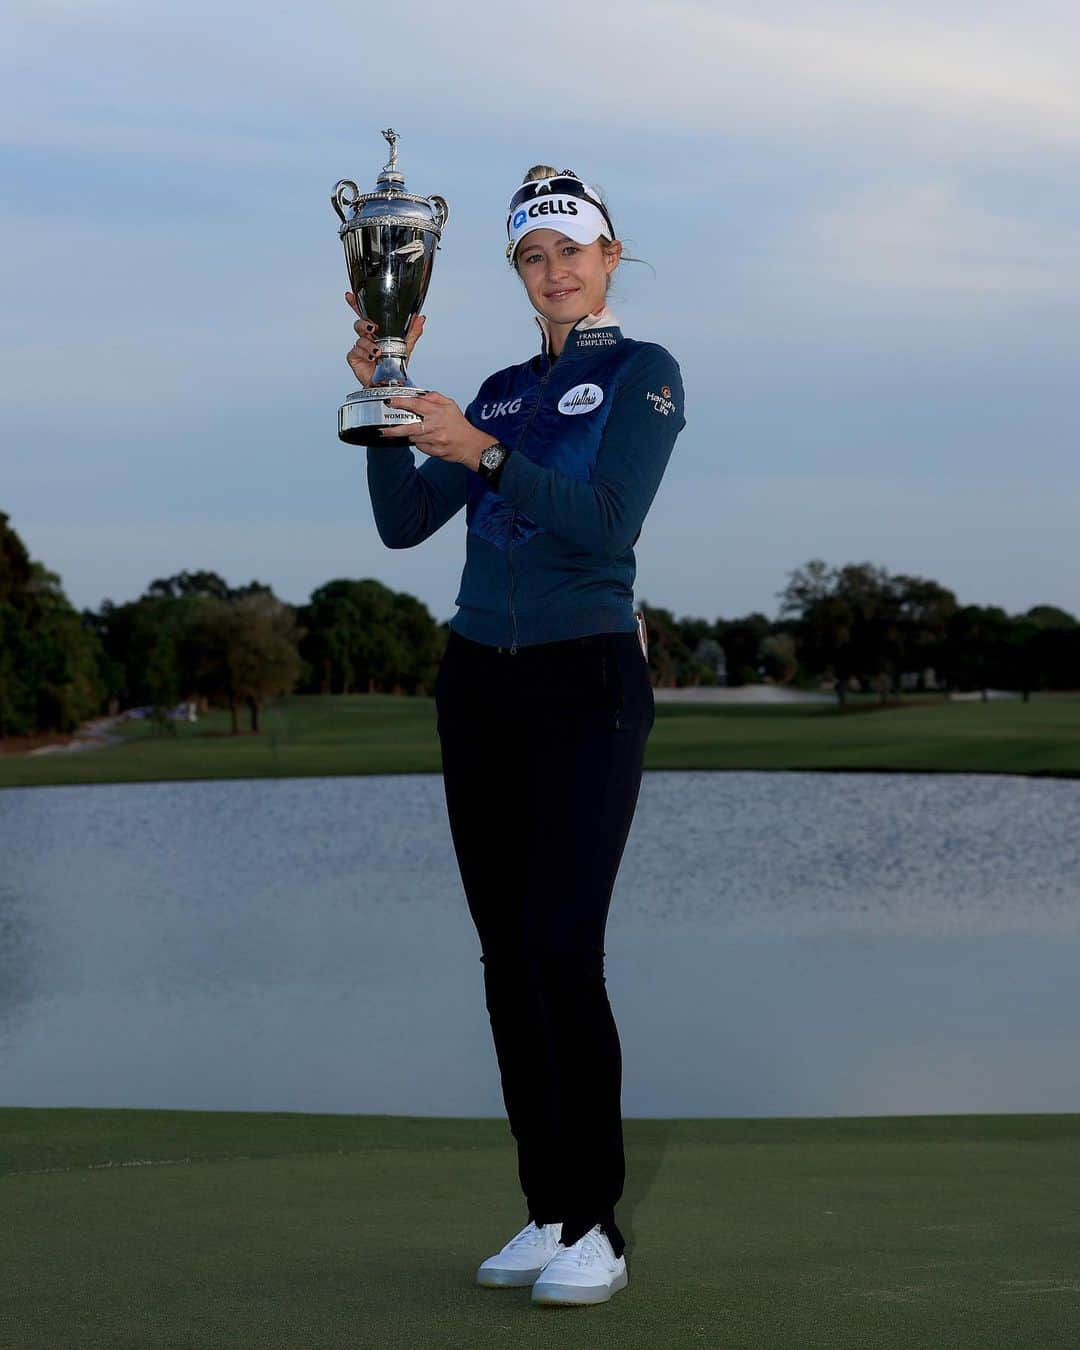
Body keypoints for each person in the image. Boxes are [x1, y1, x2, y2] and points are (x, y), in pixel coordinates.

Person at [346, 166, 685, 1307]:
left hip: (586, 677)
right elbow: (403, 524)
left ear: (609, 255)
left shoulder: (644, 374)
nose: (557, 273)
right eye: (535, 259)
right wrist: (400, 412)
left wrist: (480, 453)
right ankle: (547, 1208)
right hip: (476, 680)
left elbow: (604, 523)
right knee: (504, 959)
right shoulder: (492, 388)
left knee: (561, 947)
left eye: (573, 252)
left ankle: (599, 1225)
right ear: (518, 273)